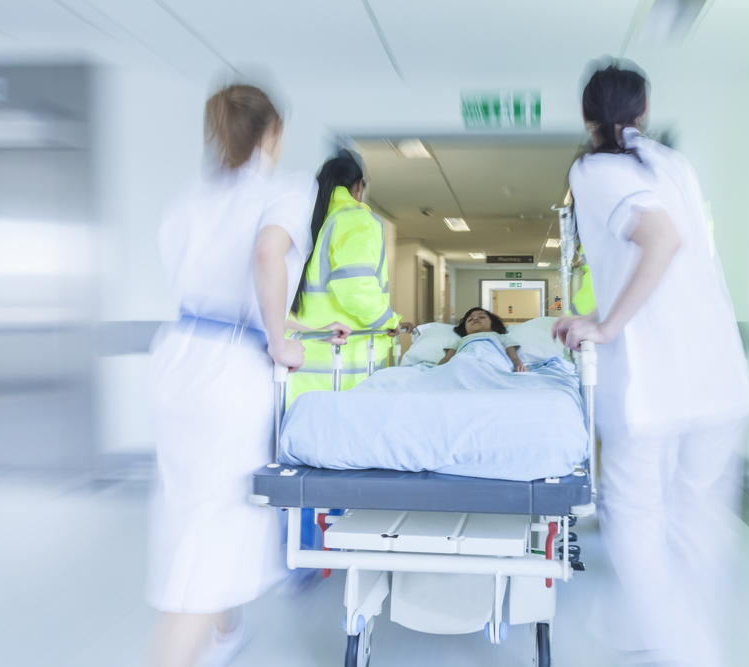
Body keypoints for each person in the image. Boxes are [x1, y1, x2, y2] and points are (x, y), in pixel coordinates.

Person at [552, 61, 749, 667]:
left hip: (654, 382)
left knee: (635, 516)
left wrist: (606, 326)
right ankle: (672, 635)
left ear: (587, 117)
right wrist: (595, 312)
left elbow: (660, 239)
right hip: (718, 373)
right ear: (642, 110)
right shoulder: (675, 164)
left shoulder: (592, 169)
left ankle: (683, 651)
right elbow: (667, 261)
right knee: (698, 518)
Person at [146, 84, 350, 667]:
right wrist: (285, 342)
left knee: (190, 507)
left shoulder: (193, 196)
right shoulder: (284, 187)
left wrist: (296, 332)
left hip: (178, 358)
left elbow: (216, 298)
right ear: (273, 134)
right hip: (225, 376)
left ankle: (227, 635)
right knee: (209, 531)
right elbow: (266, 256)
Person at [288, 150, 412, 401]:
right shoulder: (356, 219)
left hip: (299, 362)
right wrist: (389, 321)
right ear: (359, 186)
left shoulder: (305, 218)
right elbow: (356, 289)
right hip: (340, 369)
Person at [438, 307, 528, 372]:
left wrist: (519, 366)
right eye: (470, 319)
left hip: (493, 359)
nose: (475, 318)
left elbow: (514, 357)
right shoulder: (461, 340)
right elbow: (447, 359)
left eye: (482, 317)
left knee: (493, 363)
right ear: (465, 329)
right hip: (463, 360)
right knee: (460, 361)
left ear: (493, 324)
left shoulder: (500, 337)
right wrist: (438, 370)